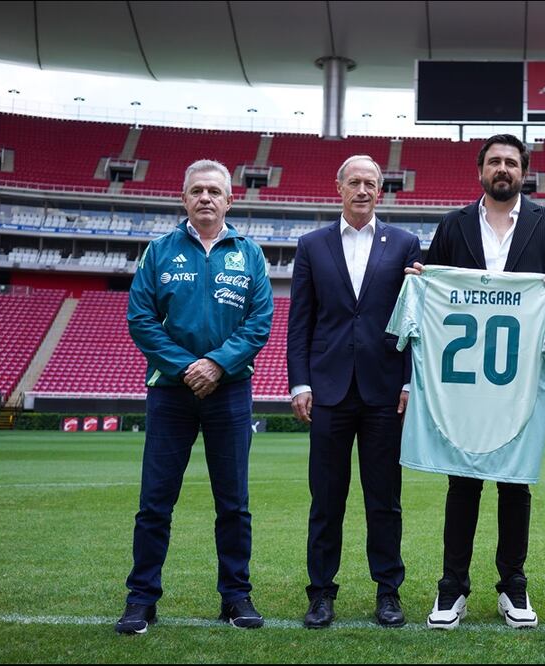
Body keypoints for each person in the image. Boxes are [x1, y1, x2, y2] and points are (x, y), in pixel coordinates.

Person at [411, 134, 545, 630]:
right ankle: (452, 586)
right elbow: (431, 287)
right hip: (464, 384)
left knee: (515, 484)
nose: (502, 169)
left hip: (521, 380)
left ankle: (513, 583)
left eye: (510, 162)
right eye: (494, 162)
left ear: (523, 172)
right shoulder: (453, 224)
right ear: (480, 170)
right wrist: (422, 280)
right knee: (461, 482)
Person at [117, 159, 273, 634]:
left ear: (230, 199)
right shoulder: (158, 252)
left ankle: (236, 597)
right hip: (171, 392)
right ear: (183, 198)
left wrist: (217, 364)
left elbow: (259, 321)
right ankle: (142, 599)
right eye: (197, 191)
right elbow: (139, 319)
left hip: (230, 393)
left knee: (234, 503)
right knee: (155, 502)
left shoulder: (250, 254)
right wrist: (187, 367)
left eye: (214, 191)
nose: (205, 198)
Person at [287, 155, 421, 628]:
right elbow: (300, 319)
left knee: (384, 498)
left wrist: (408, 380)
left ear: (380, 191)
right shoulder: (311, 245)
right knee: (326, 498)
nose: (363, 189)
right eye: (354, 182)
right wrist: (299, 381)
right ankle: (321, 593)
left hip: (385, 389)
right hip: (328, 389)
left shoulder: (405, 243)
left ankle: (388, 592)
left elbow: (412, 320)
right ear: (338, 187)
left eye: (371, 183)